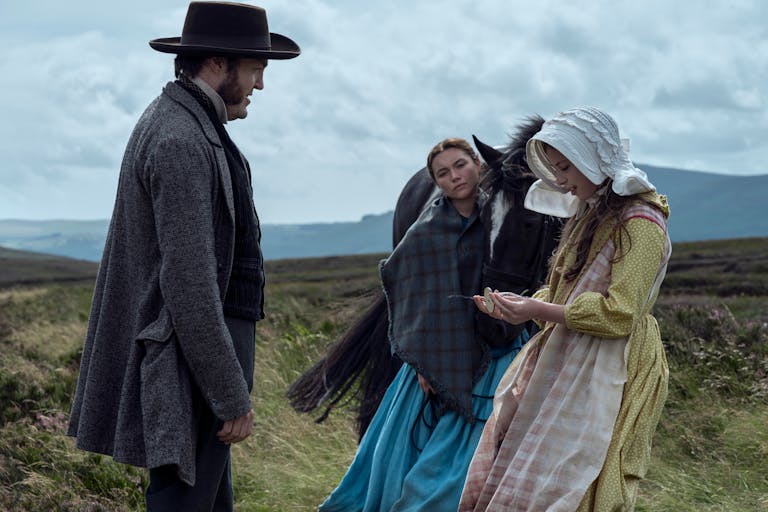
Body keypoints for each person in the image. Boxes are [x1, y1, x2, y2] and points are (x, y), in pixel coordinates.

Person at [66, 2, 299, 510]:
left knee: (208, 502)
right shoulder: (180, 139)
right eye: (255, 69)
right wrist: (228, 392)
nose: (260, 85)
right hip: (187, 367)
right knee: (185, 502)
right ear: (217, 63)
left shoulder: (189, 124)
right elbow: (189, 282)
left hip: (195, 362)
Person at [459, 106, 671, 511]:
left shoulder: (641, 222)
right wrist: (525, 306)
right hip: (568, 353)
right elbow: (567, 294)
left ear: (592, 159)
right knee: (533, 471)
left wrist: (539, 311)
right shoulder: (591, 216)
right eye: (555, 169)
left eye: (564, 168)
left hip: (609, 364)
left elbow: (619, 314)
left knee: (574, 477)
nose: (559, 180)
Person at [318, 138, 530, 511]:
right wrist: (422, 360)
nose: (455, 177)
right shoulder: (428, 230)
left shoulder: (498, 215)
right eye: (443, 173)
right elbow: (412, 293)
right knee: (422, 456)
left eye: (460, 165)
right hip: (440, 351)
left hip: (497, 350)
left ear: (478, 165)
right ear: (437, 183)